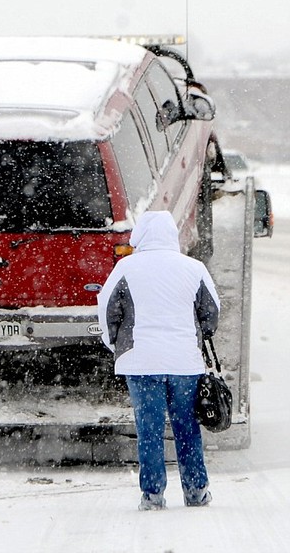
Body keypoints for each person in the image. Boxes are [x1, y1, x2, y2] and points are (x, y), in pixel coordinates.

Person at [96, 211, 220, 510]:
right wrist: (194, 337)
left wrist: (116, 343)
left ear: (142, 234)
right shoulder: (194, 268)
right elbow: (211, 312)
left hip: (141, 362)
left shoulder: (126, 267)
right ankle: (196, 492)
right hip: (184, 363)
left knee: (149, 431)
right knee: (187, 427)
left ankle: (152, 496)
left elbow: (107, 310)